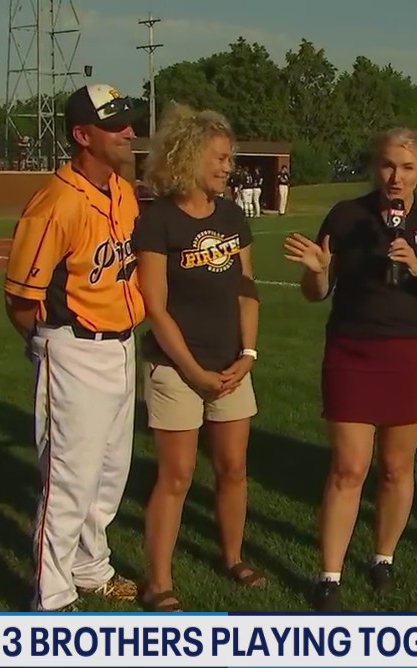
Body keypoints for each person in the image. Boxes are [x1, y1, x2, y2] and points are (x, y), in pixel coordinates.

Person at [283, 127, 417, 612]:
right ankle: (329, 575)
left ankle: (383, 558)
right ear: (374, 168)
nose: (396, 176)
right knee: (349, 467)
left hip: (411, 354)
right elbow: (316, 293)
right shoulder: (347, 216)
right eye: (388, 165)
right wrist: (318, 270)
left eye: (407, 168)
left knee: (396, 466)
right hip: (352, 351)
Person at [2, 83, 146, 612]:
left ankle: (89, 567)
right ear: (83, 135)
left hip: (123, 344)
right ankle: (52, 597)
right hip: (74, 348)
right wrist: (47, 346)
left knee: (109, 474)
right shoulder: (55, 202)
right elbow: (20, 299)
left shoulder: (123, 192)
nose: (129, 132)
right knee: (68, 480)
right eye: (116, 125)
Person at [130, 105, 265, 612]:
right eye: (221, 158)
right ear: (189, 157)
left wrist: (247, 355)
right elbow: (156, 307)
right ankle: (158, 581)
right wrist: (194, 372)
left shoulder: (232, 215)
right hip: (175, 368)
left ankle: (232, 557)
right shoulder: (158, 220)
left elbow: (247, 291)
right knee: (178, 474)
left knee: (233, 467)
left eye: (231, 159)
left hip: (232, 366)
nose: (229, 166)